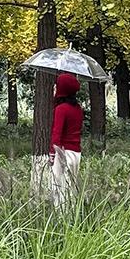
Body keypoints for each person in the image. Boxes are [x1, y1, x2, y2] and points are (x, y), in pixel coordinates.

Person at [49, 72, 83, 208]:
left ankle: (60, 220)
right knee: (70, 188)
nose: (54, 89)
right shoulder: (78, 108)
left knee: (58, 188)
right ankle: (72, 215)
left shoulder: (61, 109)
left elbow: (57, 134)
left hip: (62, 153)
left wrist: (52, 154)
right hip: (76, 154)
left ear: (62, 90)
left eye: (56, 86)